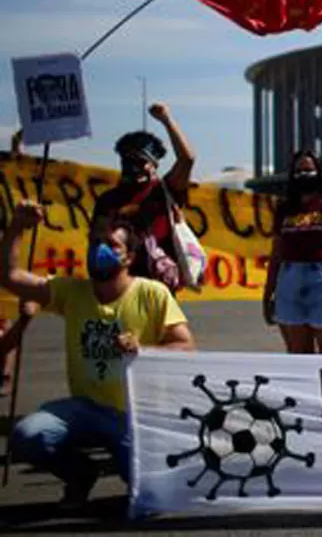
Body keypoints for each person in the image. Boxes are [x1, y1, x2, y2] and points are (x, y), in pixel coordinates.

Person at [3, 202, 195, 506]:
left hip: (132, 414)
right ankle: (80, 473)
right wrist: (16, 228)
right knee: (27, 437)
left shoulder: (152, 293)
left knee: (153, 495)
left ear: (129, 257)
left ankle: (135, 468)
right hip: (85, 408)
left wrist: (142, 350)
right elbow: (10, 277)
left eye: (110, 245)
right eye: (94, 243)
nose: (98, 249)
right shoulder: (71, 291)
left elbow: (185, 347)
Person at [262, 136, 322, 355]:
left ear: (320, 172)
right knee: (299, 357)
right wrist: (268, 292)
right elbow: (276, 252)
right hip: (290, 279)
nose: (303, 176)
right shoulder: (285, 208)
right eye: (298, 171)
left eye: (309, 170)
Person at [89, 102, 196, 290]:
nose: (133, 167)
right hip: (118, 286)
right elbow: (96, 241)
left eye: (140, 161)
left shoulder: (164, 191)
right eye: (128, 160)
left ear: (153, 165)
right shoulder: (109, 200)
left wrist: (166, 120)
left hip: (158, 287)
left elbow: (187, 159)